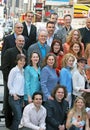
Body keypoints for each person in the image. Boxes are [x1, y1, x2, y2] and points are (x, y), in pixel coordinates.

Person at [1, 35, 27, 128]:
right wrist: (8, 81)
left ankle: (14, 126)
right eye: (19, 41)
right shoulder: (9, 51)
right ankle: (9, 125)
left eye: (22, 41)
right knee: (10, 108)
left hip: (20, 92)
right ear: (15, 41)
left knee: (18, 115)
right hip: (11, 86)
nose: (21, 42)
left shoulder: (24, 52)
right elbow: (4, 67)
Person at [8, 54, 26, 130]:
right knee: (18, 116)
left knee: (18, 117)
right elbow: (9, 83)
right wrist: (13, 94)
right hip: (14, 97)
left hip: (21, 97)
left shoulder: (24, 71)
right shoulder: (14, 70)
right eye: (20, 60)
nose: (22, 62)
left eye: (24, 61)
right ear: (17, 61)